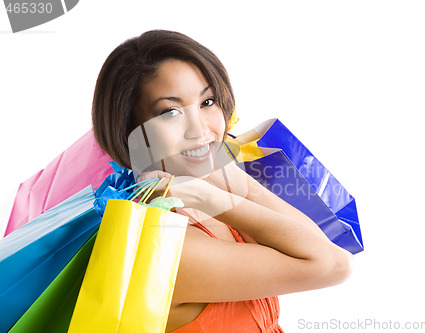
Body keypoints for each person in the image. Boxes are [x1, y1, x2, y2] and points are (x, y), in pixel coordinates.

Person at [92, 29, 353, 332]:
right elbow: (334, 264)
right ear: (130, 130)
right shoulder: (168, 244)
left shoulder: (204, 189)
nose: (199, 128)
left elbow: (323, 240)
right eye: (170, 112)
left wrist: (223, 178)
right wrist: (208, 195)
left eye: (208, 102)